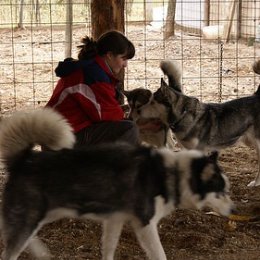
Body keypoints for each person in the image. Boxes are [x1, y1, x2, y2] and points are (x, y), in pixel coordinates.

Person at [46, 30, 139, 147]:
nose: (125, 65)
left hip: (62, 133)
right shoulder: (94, 75)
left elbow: (104, 111)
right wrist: (141, 123)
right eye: (123, 59)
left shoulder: (91, 68)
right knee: (130, 129)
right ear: (109, 55)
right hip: (60, 139)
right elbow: (106, 115)